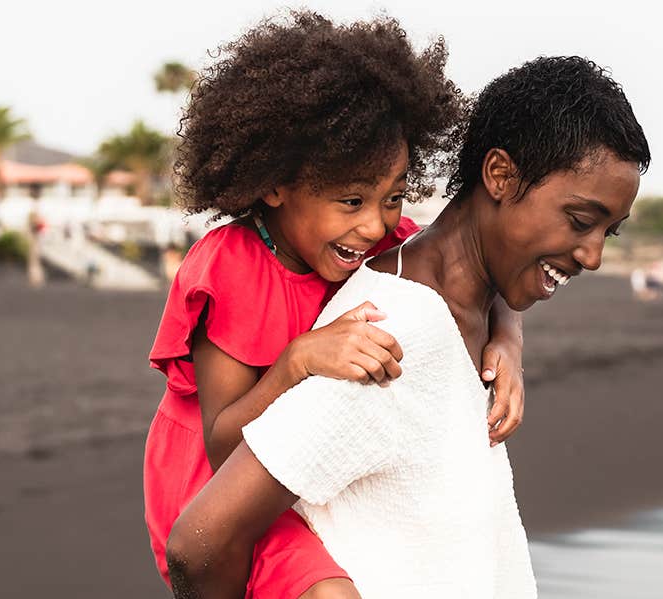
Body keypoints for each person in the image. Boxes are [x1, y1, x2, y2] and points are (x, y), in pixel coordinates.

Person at [167, 56, 651, 599]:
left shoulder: (442, 292)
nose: (593, 256)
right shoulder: (386, 336)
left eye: (609, 232)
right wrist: (295, 362)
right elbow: (198, 543)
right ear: (499, 175)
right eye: (581, 221)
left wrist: (509, 338)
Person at [143, 12, 529, 598]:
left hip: (298, 466)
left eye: (393, 197)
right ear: (274, 184)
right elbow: (222, 443)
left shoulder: (383, 245)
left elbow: (477, 276)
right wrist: (296, 361)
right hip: (216, 482)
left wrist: (509, 340)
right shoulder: (234, 270)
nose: (375, 223)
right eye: (350, 200)